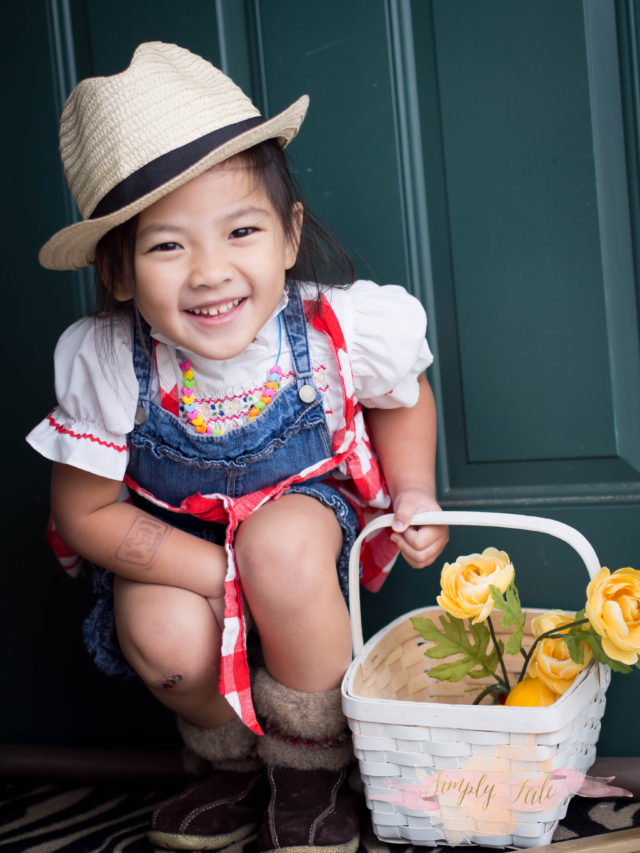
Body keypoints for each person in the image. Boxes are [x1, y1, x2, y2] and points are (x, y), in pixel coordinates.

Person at [27, 42, 449, 853]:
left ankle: (309, 767)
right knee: (166, 644)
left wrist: (415, 492)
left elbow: (403, 396)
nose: (211, 273)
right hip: (171, 539)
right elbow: (82, 512)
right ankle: (227, 761)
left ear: (289, 237)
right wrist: (211, 571)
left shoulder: (338, 326)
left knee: (283, 550)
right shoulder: (108, 358)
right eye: (166, 246)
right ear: (118, 272)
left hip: (296, 520)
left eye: (241, 230)